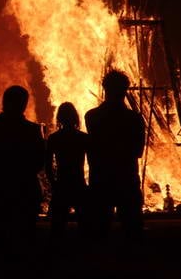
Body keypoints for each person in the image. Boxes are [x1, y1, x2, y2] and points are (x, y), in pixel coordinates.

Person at [0, 85, 45, 254]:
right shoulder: (33, 130)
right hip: (24, 191)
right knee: (24, 239)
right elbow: (39, 161)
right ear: (24, 104)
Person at [84, 69, 145, 241]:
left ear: (104, 89)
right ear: (125, 90)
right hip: (127, 178)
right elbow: (138, 151)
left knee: (100, 231)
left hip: (101, 179)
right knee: (132, 230)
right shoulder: (135, 119)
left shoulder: (91, 116)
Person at [45, 102, 89, 239]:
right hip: (78, 182)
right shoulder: (83, 138)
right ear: (76, 118)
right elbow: (93, 162)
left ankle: (57, 253)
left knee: (57, 225)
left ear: (59, 119)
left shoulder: (54, 138)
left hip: (62, 183)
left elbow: (47, 164)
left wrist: (53, 182)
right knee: (84, 223)